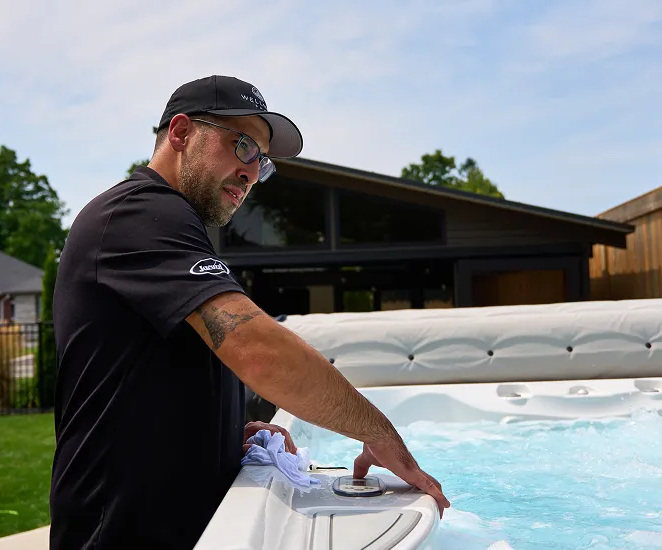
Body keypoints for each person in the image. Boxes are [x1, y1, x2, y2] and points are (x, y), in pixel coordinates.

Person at [48, 75, 451, 549]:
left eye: (262, 163)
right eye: (242, 146)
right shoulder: (140, 212)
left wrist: (221, 437)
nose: (251, 173)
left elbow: (144, 371)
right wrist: (378, 432)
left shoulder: (165, 225)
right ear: (180, 133)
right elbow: (255, 347)